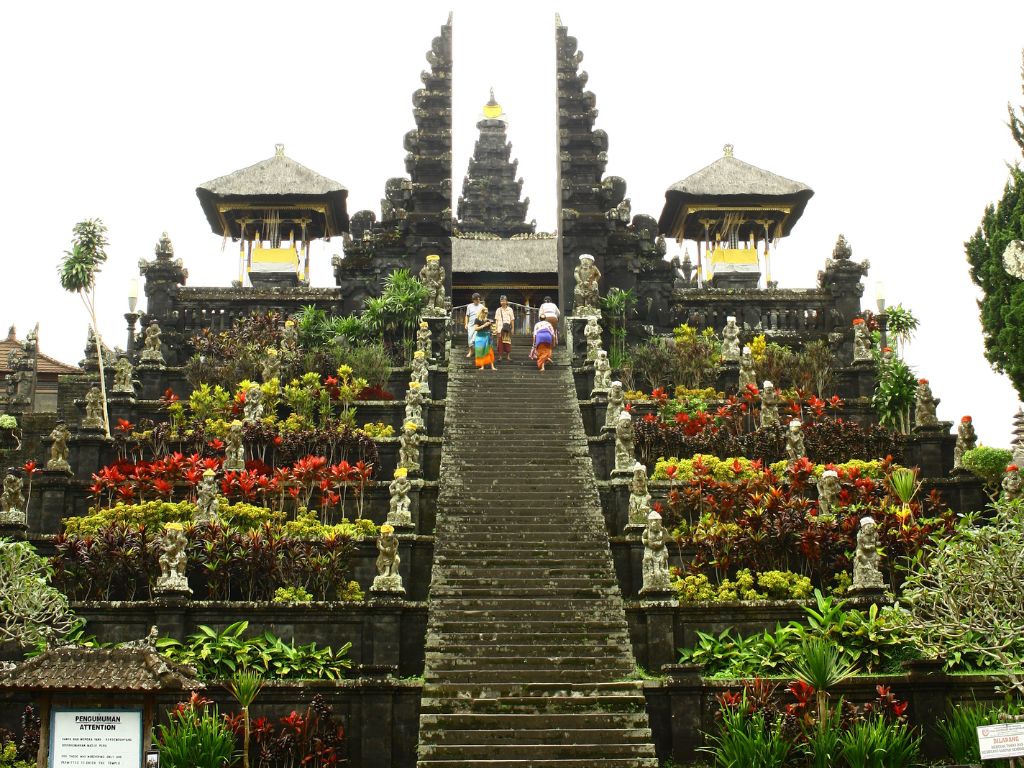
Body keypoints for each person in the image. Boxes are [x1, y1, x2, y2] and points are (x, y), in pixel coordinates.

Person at [473, 306, 497, 371]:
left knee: (490, 351)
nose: (486, 314)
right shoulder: (477, 320)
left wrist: (494, 331)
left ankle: (492, 366)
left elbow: (491, 329)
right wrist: (484, 325)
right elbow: (475, 328)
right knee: (481, 352)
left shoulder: (488, 320)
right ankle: (482, 366)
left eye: (487, 313)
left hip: (487, 336)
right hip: (480, 337)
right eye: (485, 312)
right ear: (481, 312)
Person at [494, 295, 515, 362]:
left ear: (506, 301)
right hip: (500, 328)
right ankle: (500, 357)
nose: (503, 302)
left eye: (504, 301)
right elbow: (496, 320)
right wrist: (496, 329)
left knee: (508, 342)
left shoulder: (510, 309)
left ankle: (508, 356)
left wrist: (512, 328)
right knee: (500, 343)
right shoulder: (498, 310)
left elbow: (512, 319)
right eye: (501, 301)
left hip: (507, 328)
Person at [464, 292, 483, 358]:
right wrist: (466, 324)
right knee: (470, 339)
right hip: (470, 325)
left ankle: (477, 352)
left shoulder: (482, 306)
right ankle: (471, 351)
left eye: (479, 299)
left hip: (478, 325)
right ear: (473, 300)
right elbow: (467, 316)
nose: (478, 301)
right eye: (476, 299)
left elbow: (484, 315)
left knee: (475, 339)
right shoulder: (469, 306)